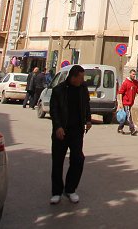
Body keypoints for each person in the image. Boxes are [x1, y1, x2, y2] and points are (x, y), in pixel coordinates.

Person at [49, 65, 92, 205]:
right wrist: (58, 127)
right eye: (80, 78)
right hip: (61, 131)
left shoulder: (83, 88)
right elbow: (54, 110)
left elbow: (86, 104)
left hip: (77, 131)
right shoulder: (59, 90)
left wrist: (88, 119)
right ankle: (56, 192)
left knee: (78, 159)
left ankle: (70, 189)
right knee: (58, 161)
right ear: (73, 77)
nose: (82, 80)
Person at [117, 69, 138, 135]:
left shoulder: (135, 82)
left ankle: (120, 128)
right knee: (129, 116)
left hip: (131, 102)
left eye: (135, 74)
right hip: (126, 102)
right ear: (130, 74)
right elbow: (120, 93)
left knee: (125, 117)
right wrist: (120, 103)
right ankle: (132, 130)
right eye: (133, 74)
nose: (134, 76)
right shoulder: (125, 83)